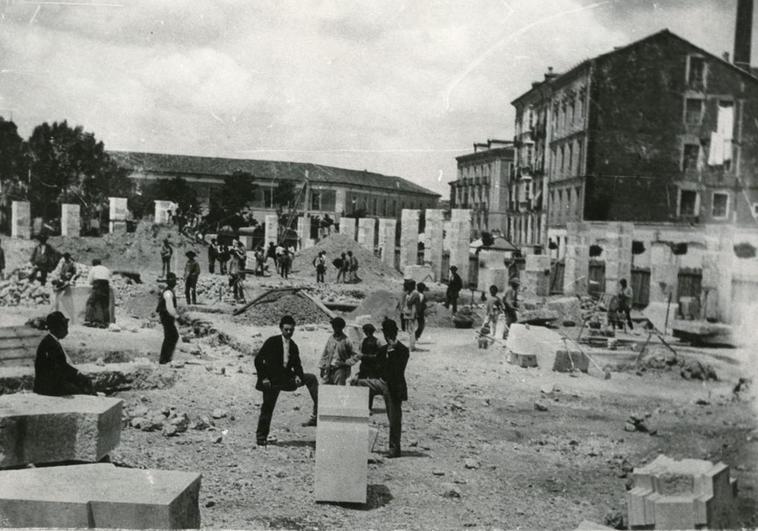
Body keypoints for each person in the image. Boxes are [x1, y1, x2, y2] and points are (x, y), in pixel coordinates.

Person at [254, 315, 319, 446]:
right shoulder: (272, 342)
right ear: (281, 328)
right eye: (286, 329)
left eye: (291, 330)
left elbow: (298, 365)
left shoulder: (293, 345)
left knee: (311, 378)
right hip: (272, 381)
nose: (289, 332)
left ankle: (319, 409)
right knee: (267, 408)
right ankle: (261, 438)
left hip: (286, 379)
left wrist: (298, 376)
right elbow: (258, 360)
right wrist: (264, 378)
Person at [352, 318, 408, 458]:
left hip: (394, 387)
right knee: (358, 383)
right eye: (386, 333)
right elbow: (375, 365)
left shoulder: (402, 350)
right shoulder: (383, 350)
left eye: (390, 333)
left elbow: (398, 369)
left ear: (394, 333)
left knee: (394, 419)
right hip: (381, 382)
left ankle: (394, 449)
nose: (387, 335)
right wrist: (359, 375)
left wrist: (392, 350)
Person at [34, 311, 94, 396]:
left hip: (51, 382)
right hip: (48, 387)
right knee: (81, 391)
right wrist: (78, 375)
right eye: (64, 326)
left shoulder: (51, 341)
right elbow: (61, 368)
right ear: (57, 327)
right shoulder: (51, 344)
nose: (66, 330)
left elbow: (61, 366)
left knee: (82, 383)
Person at [319, 317, 360, 385]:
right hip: (329, 369)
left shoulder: (346, 340)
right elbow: (325, 353)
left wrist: (346, 362)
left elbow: (357, 355)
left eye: (336, 326)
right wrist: (322, 368)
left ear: (341, 327)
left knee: (339, 389)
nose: (334, 328)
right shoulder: (331, 338)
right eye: (333, 326)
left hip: (341, 370)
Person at [350, 323, 382, 410]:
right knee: (370, 387)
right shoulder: (377, 341)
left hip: (366, 366)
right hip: (372, 367)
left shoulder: (362, 341)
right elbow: (380, 355)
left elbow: (359, 354)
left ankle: (365, 406)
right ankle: (368, 407)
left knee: (363, 386)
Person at [157, 273, 179, 364]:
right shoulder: (168, 293)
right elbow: (170, 308)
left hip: (166, 316)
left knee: (171, 336)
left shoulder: (169, 291)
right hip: (166, 316)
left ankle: (166, 358)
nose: (174, 281)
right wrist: (178, 317)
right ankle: (165, 359)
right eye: (173, 280)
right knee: (172, 336)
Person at [85, 259, 111, 328]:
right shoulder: (106, 269)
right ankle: (106, 322)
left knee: (91, 303)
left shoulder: (94, 268)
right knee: (105, 305)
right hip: (106, 286)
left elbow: (90, 281)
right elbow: (109, 279)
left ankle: (88, 320)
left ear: (93, 264)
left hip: (98, 285)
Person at [401, 280, 419, 351]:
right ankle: (412, 346)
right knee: (410, 330)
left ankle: (412, 346)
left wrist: (406, 295)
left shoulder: (414, 293)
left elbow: (409, 303)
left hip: (412, 313)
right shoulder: (412, 293)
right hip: (409, 313)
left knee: (411, 330)